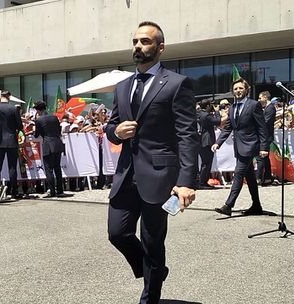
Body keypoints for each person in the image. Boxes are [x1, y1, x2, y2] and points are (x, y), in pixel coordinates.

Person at [105, 21, 198, 304]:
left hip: (160, 175)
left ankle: (150, 298)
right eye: (135, 41)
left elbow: (187, 135)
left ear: (160, 47)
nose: (138, 46)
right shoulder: (122, 87)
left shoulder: (176, 84)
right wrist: (116, 132)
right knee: (117, 233)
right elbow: (111, 126)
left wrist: (185, 182)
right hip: (126, 175)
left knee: (152, 241)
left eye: (145, 41)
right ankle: (155, 271)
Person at [211, 78, 269, 216]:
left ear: (246, 90)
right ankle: (257, 206)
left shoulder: (254, 105)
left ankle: (228, 205)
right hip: (239, 147)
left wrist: (264, 147)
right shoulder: (232, 108)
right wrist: (218, 143)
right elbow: (228, 128)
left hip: (250, 146)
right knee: (250, 178)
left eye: (240, 88)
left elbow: (262, 128)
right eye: (235, 89)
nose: (238, 91)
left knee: (238, 174)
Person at [0, 90, 23, 199]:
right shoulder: (13, 108)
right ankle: (14, 191)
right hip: (11, 140)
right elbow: (20, 126)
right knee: (12, 167)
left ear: (0, 96)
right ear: (9, 97)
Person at [33, 100, 66, 198]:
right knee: (57, 168)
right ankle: (60, 190)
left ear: (37, 110)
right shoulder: (54, 117)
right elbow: (59, 130)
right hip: (58, 143)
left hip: (48, 144)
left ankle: (52, 191)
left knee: (49, 169)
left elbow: (36, 135)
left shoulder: (39, 120)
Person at [197, 98, 223, 189]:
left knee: (203, 162)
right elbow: (218, 121)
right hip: (207, 141)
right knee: (207, 163)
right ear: (208, 106)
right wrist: (217, 112)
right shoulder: (207, 115)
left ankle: (201, 181)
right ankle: (202, 182)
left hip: (199, 140)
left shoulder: (198, 114)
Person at [256, 91, 276, 186]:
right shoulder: (266, 108)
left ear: (265, 97)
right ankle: (267, 177)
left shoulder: (270, 108)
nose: (259, 100)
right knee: (265, 158)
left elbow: (266, 122)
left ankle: (258, 178)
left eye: (260, 98)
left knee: (261, 156)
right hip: (265, 135)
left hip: (266, 136)